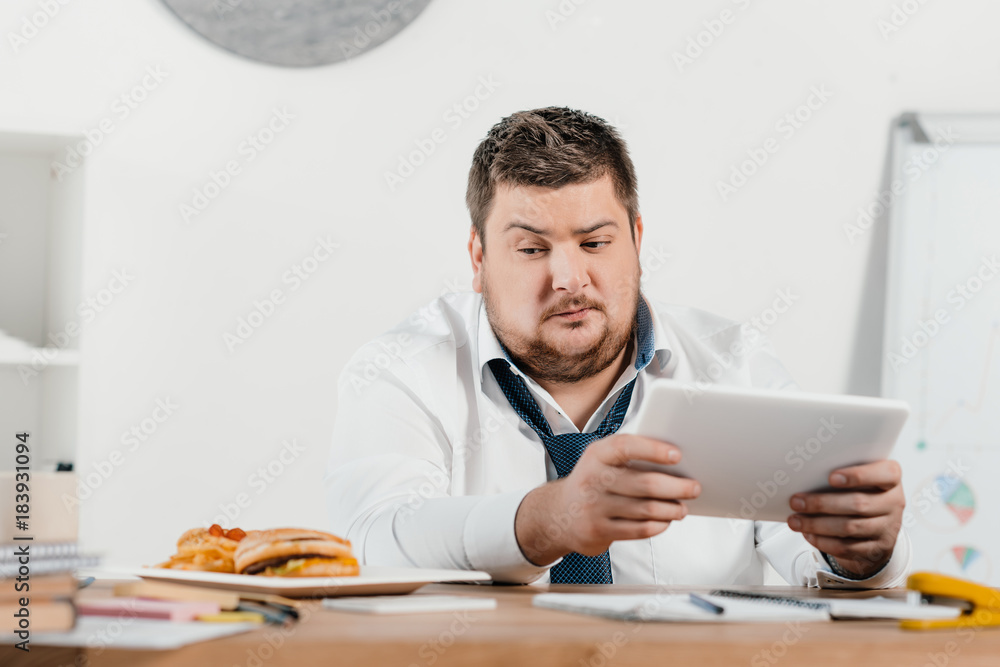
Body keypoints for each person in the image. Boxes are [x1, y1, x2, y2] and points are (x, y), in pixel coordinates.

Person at [323, 106, 910, 586]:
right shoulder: (401, 370)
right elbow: (375, 537)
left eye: (595, 243)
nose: (569, 278)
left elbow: (818, 571)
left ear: (635, 238)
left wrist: (859, 557)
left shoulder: (735, 364)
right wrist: (548, 521)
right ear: (478, 259)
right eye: (531, 249)